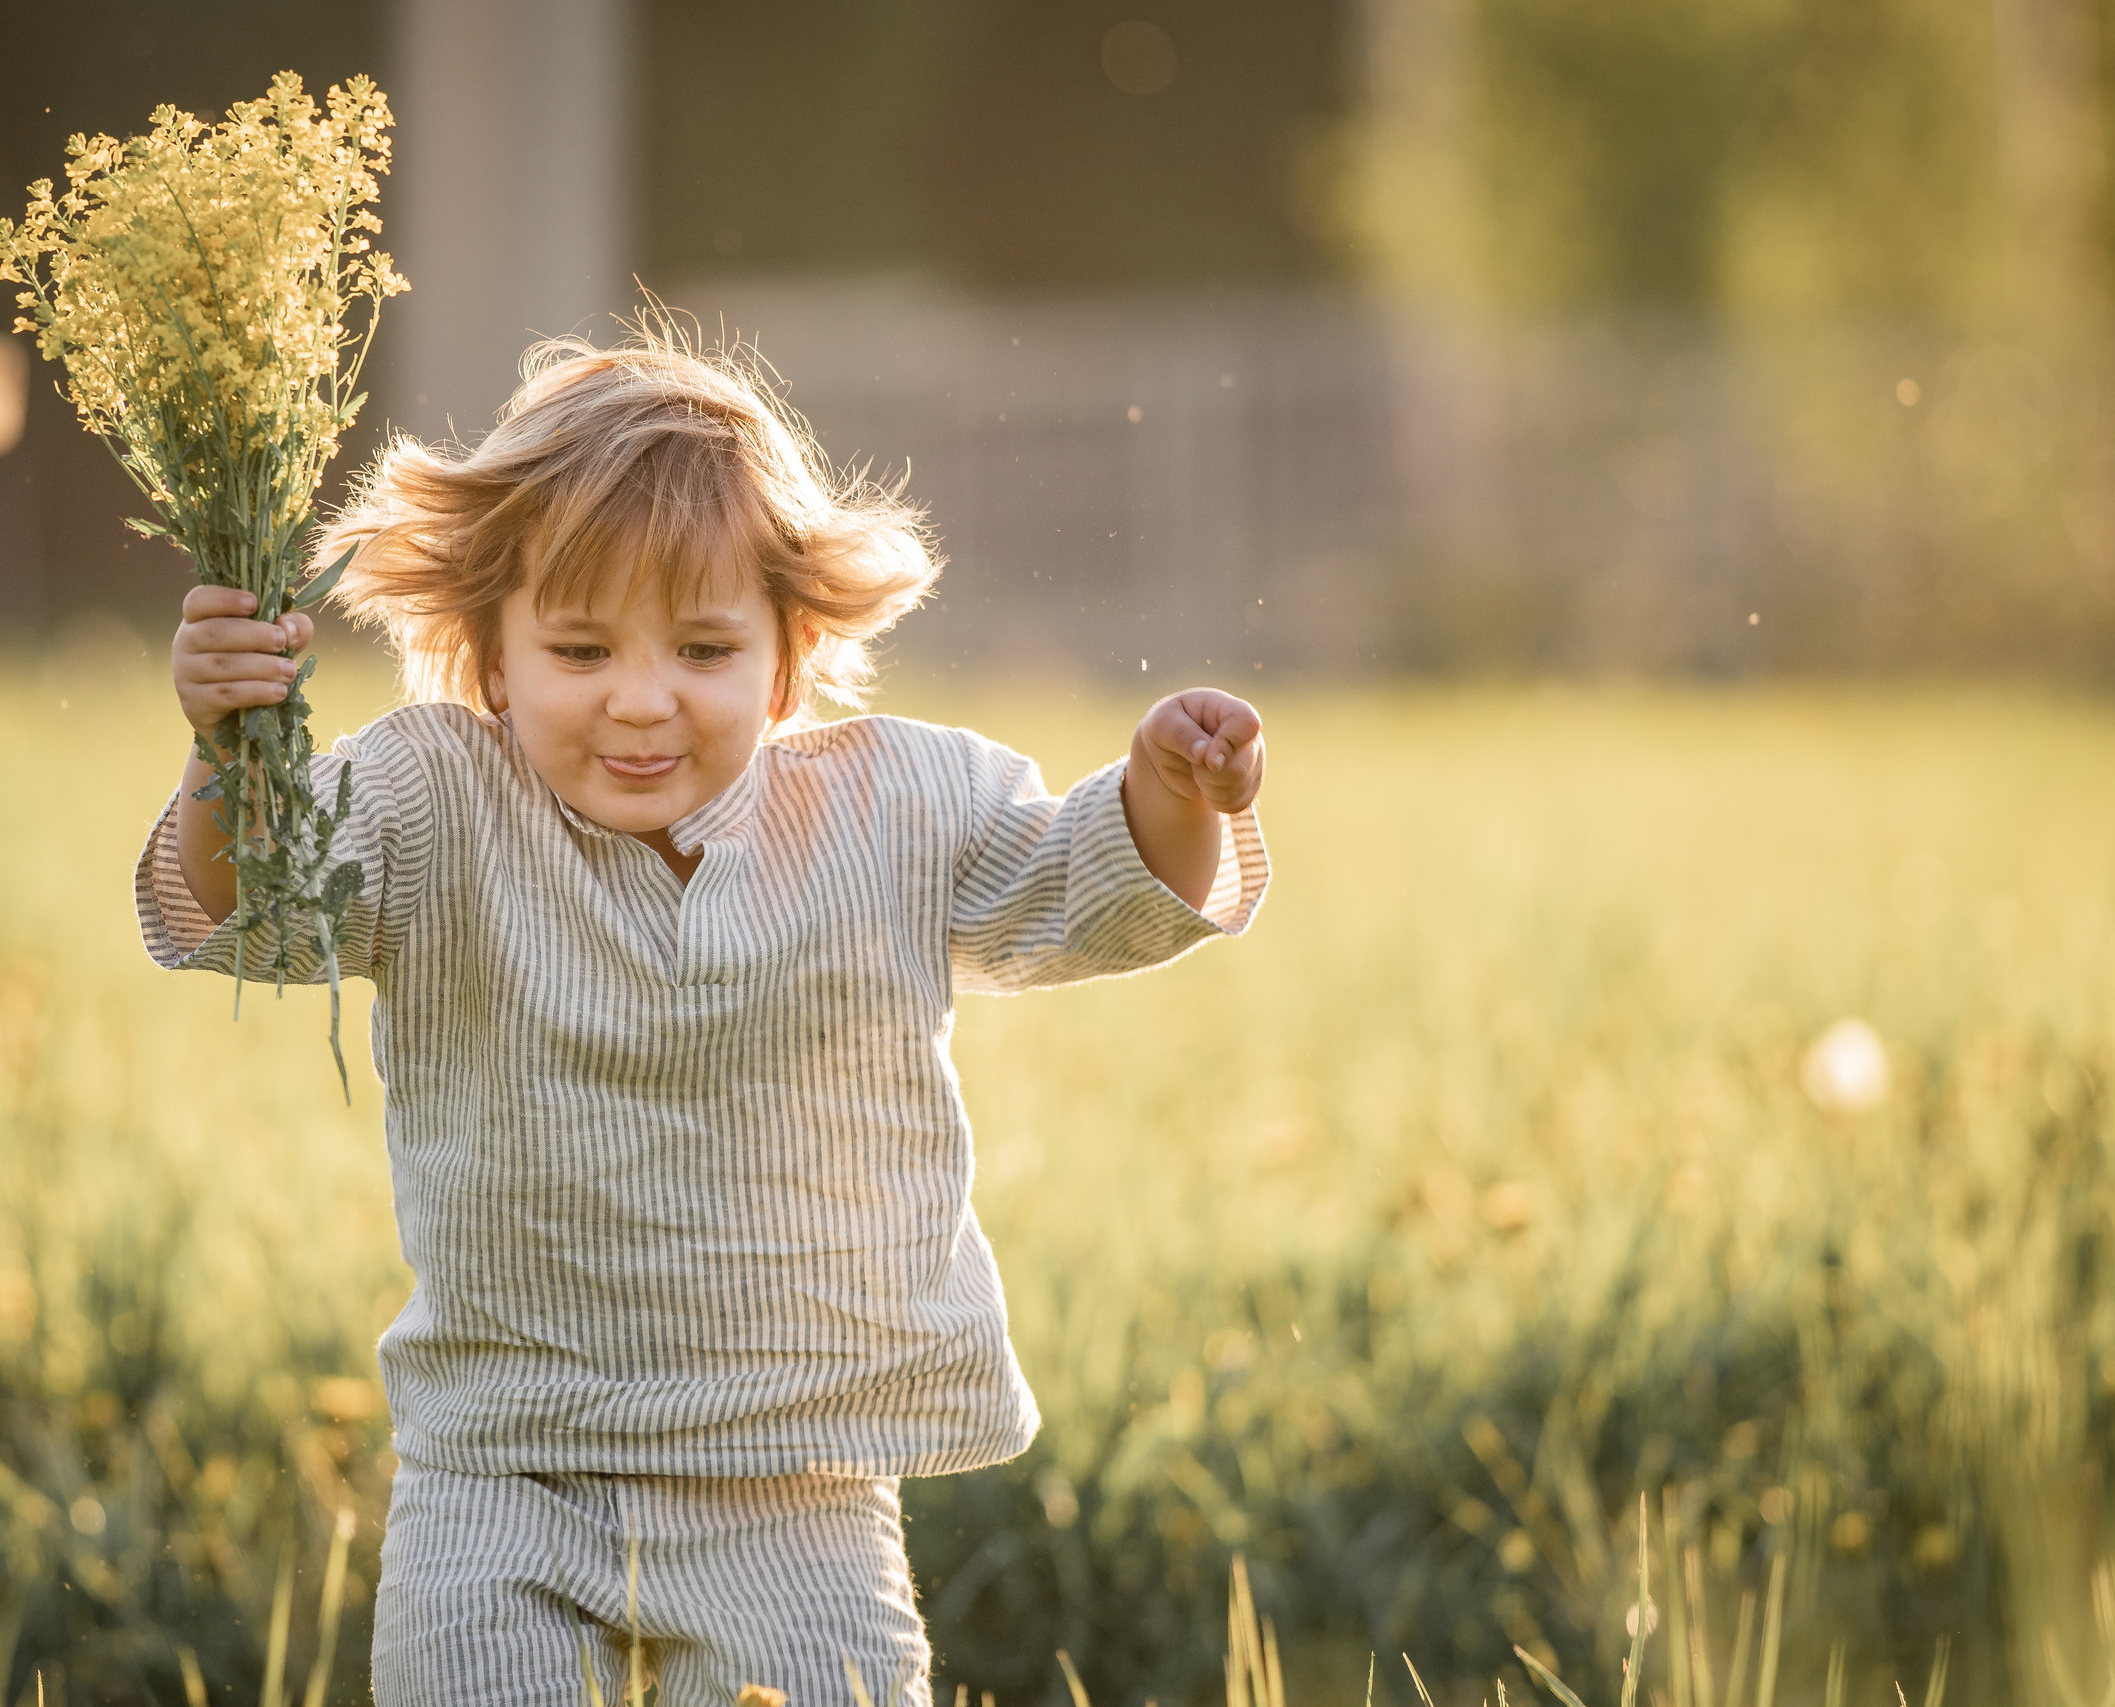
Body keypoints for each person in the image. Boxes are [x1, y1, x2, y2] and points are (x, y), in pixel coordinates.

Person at [138, 316, 1269, 1706]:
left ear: (787, 663)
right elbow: (265, 907)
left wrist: (1170, 794)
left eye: (703, 648)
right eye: (578, 648)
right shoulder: (436, 800)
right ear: (490, 660)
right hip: (504, 1470)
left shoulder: (891, 809)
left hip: (792, 1480)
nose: (640, 701)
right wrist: (226, 753)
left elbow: (1074, 886)